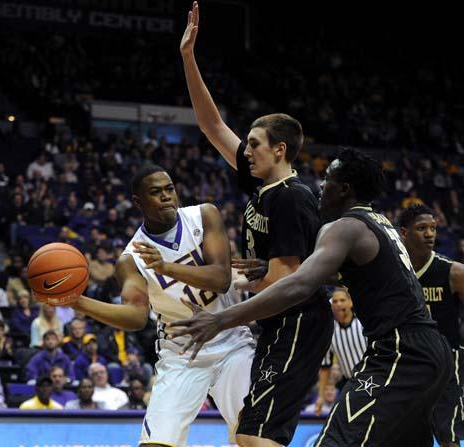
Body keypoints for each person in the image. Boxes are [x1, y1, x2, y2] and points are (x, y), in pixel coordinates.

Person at [171, 148, 454, 446]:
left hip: (400, 353)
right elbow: (353, 274)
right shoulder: (379, 223)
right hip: (432, 352)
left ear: (344, 188)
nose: (320, 185)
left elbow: (300, 286)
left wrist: (222, 319)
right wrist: (272, 267)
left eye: (328, 178)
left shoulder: (344, 227)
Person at [181, 4, 332, 444]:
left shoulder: (291, 198)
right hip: (275, 320)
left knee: (253, 437)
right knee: (245, 435)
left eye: (254, 144)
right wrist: (189, 58)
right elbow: (211, 126)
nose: (245, 150)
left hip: (298, 320)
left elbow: (285, 278)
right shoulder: (264, 187)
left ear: (279, 150)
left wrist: (222, 290)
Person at [68, 163, 254, 446]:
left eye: (169, 189)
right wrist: (77, 301)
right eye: (156, 192)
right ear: (138, 202)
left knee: (252, 435)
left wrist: (166, 268)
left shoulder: (204, 215)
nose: (166, 196)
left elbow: (220, 278)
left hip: (232, 342)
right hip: (182, 353)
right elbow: (135, 316)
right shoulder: (130, 259)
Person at [398, 204, 464, 446]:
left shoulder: (455, 272)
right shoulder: (393, 270)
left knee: (449, 437)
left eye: (433, 228)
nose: (430, 234)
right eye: (421, 228)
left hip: (446, 360)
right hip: (406, 359)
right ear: (403, 232)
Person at [316, 288, 368, 415]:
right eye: (335, 301)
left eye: (342, 300)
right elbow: (325, 367)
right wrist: (321, 397)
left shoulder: (364, 324)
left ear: (350, 303)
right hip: (349, 382)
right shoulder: (329, 332)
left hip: (371, 379)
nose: (338, 304)